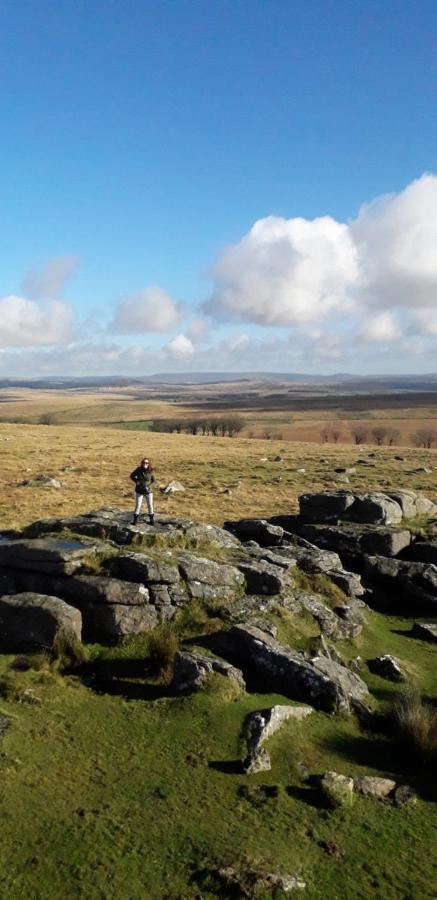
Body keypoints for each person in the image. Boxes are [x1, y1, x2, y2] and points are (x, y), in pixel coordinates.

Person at [130, 457, 155, 525]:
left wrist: (148, 486)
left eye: (146, 463)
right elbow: (132, 476)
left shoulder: (151, 470)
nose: (145, 464)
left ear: (148, 464)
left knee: (150, 505)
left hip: (149, 491)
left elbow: (153, 481)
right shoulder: (138, 469)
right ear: (141, 463)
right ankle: (135, 521)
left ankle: (151, 520)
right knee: (138, 505)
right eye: (143, 462)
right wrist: (136, 481)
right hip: (139, 490)